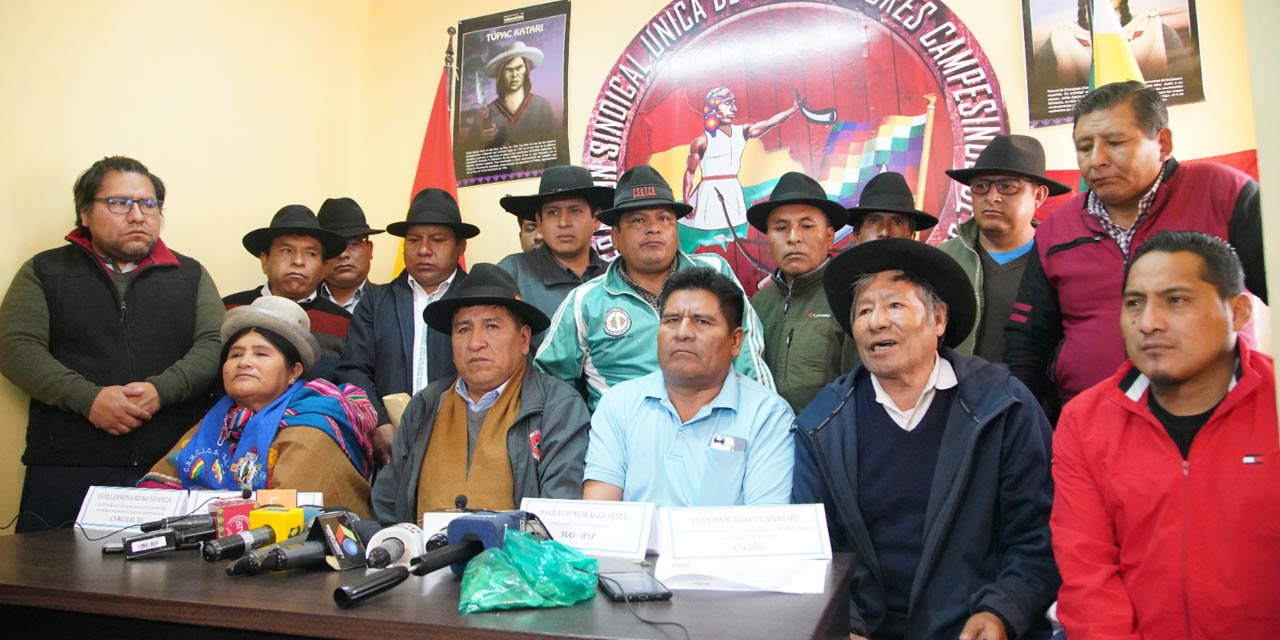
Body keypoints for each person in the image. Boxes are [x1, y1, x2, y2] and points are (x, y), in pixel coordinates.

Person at [793, 238, 1058, 640]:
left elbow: (1039, 533)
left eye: (894, 305)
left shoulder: (1003, 407)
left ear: (938, 320)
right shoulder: (824, 424)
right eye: (864, 310)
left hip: (974, 624)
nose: (875, 321)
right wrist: (846, 623)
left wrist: (1003, 610)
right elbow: (815, 548)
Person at [1051, 231, 1280, 638]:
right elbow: (1087, 576)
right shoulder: (1085, 421)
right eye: (1134, 303)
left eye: (1176, 300)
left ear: (1239, 312)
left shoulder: (1271, 405)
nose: (1149, 323)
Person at [1006, 81, 1267, 414]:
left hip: (1220, 419)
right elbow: (1028, 341)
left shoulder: (1222, 193)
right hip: (1094, 426)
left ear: (1162, 143)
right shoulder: (1057, 228)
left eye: (1115, 142)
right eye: (1084, 147)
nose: (1097, 160)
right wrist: (1027, 425)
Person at [0, 156, 224, 532]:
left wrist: (160, 390)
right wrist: (89, 399)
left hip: (169, 465)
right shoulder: (45, 271)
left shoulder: (190, 275)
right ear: (85, 213)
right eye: (119, 203)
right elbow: (16, 347)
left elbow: (214, 344)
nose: (137, 216)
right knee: (51, 583)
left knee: (168, 586)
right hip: (67, 465)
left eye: (148, 204)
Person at [535, 165, 773, 411]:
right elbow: (549, 380)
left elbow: (749, 359)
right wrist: (582, 434)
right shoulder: (586, 301)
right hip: (625, 441)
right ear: (615, 236)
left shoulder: (714, 273)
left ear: (677, 232)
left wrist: (763, 424)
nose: (653, 228)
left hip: (716, 428)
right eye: (638, 220)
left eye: (664, 219)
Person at [372, 264, 590, 522]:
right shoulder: (426, 404)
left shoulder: (556, 406)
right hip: (423, 558)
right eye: (463, 329)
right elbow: (387, 502)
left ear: (523, 340)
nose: (475, 343)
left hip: (517, 559)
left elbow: (558, 510)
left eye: (492, 327)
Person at [139, 296, 376, 518]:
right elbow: (153, 497)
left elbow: (289, 516)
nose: (244, 362)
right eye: (235, 355)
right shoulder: (216, 423)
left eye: (261, 354)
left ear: (294, 372)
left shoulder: (312, 429)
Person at [583, 268, 794, 507]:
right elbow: (600, 513)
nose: (682, 333)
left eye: (701, 321)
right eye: (672, 320)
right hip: (635, 546)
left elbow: (763, 525)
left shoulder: (767, 415)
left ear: (735, 341)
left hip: (726, 545)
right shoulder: (618, 404)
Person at [336, 188, 475, 466]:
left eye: (437, 240)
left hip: (465, 440)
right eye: (413, 240)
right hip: (391, 445)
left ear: (460, 246)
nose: (423, 250)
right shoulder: (376, 302)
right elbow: (354, 369)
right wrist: (379, 421)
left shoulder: (478, 299)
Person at [940, 135, 1070, 361]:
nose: (992, 197)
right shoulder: (942, 261)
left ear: (1038, 196)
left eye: (1007, 187)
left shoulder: (1061, 265)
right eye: (981, 186)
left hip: (1034, 395)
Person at [747, 171, 858, 413]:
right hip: (764, 444)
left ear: (829, 237)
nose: (794, 238)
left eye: (807, 226)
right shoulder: (756, 306)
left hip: (829, 444)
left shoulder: (850, 299)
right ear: (768, 237)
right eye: (781, 227)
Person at [222, 204, 352, 378]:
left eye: (311, 254)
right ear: (264, 260)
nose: (298, 261)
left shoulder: (343, 322)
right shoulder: (231, 310)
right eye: (286, 250)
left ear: (323, 267)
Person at [496, 165, 610, 337]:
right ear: (539, 222)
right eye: (553, 212)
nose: (564, 222)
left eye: (575, 210)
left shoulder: (616, 276)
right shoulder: (513, 273)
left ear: (596, 219)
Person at [682, 86, 801, 231]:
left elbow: (770, 122)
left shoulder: (741, 132)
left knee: (736, 229)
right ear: (713, 106)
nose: (734, 109)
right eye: (727, 103)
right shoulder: (701, 141)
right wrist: (687, 201)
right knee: (709, 232)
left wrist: (793, 110)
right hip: (709, 196)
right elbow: (690, 172)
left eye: (733, 103)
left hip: (733, 192)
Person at [461, 41, 557, 151]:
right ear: (501, 74)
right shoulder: (487, 113)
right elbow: (467, 153)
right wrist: (481, 139)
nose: (515, 74)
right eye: (509, 69)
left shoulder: (542, 106)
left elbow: (556, 146)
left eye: (519, 68)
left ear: (527, 69)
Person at [317, 196, 384, 313]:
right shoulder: (303, 300)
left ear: (370, 249)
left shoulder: (389, 302)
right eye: (334, 246)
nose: (343, 254)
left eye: (353, 243)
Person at [844, 171, 938, 244]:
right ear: (857, 234)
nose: (885, 232)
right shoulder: (837, 269)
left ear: (912, 237)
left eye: (897, 223)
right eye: (874, 221)